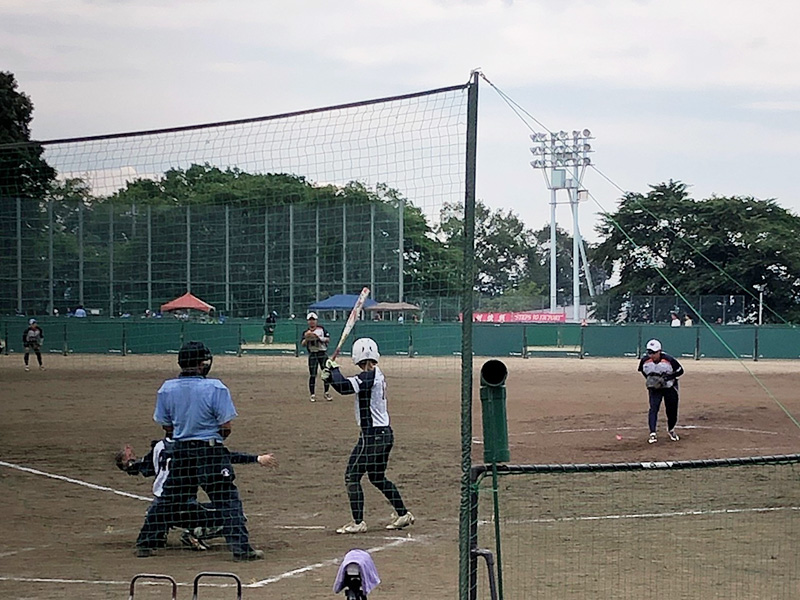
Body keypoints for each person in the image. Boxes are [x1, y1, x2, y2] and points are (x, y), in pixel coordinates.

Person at [135, 341, 265, 561]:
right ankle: (241, 549)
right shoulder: (215, 387)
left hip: (181, 451)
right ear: (202, 363)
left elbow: (166, 426)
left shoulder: (166, 388)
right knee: (227, 501)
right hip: (209, 452)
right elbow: (226, 427)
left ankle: (146, 543)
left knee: (169, 498)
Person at [322, 338, 414, 534]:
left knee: (352, 476)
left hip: (372, 437)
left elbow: (345, 387)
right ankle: (403, 514)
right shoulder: (373, 375)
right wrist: (330, 377)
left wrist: (334, 370)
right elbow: (343, 385)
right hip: (384, 435)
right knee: (377, 477)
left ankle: (358, 522)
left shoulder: (369, 377)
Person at [118, 437, 277, 551]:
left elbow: (140, 468)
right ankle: (193, 533)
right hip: (185, 508)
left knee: (157, 522)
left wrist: (129, 462)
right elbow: (226, 457)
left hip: (158, 509)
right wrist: (256, 458)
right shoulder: (192, 449)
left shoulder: (159, 446)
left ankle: (155, 534)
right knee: (235, 515)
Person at [638, 339, 684, 444]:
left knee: (671, 410)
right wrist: (651, 381)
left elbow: (680, 371)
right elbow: (643, 371)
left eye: (654, 352)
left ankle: (671, 429)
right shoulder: (645, 361)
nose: (652, 355)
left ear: (659, 351)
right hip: (655, 389)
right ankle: (652, 433)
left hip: (670, 387)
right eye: (650, 352)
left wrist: (668, 378)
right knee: (653, 408)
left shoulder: (669, 360)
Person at [301, 312, 332, 402]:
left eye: (313, 320)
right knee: (312, 374)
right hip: (313, 354)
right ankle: (312, 394)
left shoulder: (321, 329)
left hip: (322, 353)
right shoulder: (306, 332)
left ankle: (326, 392)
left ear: (316, 321)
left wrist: (318, 338)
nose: (312, 322)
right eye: (310, 320)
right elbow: (302, 343)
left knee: (326, 373)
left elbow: (327, 339)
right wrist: (307, 339)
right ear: (308, 321)